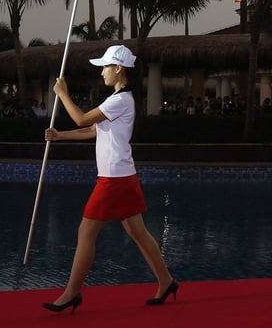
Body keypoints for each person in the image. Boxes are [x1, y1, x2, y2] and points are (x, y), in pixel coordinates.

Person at [42, 45, 177, 314]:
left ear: (118, 69)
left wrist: (63, 94)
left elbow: (81, 118)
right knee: (138, 232)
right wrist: (59, 136)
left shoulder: (120, 100)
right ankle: (166, 281)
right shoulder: (118, 99)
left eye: (105, 67)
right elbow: (93, 130)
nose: (101, 72)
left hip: (114, 178)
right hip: (121, 175)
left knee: (85, 232)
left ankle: (72, 293)